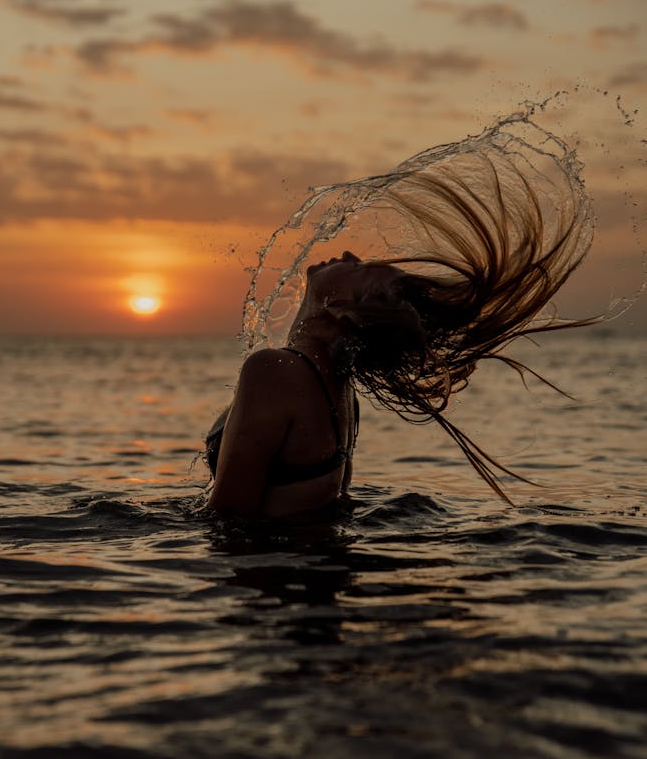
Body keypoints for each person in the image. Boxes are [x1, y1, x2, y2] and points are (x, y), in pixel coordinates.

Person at [206, 153, 596, 519]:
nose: (345, 255)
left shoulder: (275, 371)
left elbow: (226, 520)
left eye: (359, 268)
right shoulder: (338, 389)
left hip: (269, 584)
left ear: (347, 312)